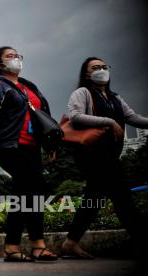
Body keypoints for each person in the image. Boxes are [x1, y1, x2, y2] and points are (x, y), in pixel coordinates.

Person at [0, 46, 58, 262]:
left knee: (36, 191)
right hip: (9, 146)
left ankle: (36, 246)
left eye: (18, 55)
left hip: (32, 146)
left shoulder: (29, 86)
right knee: (25, 190)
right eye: (10, 56)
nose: (16, 59)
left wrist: (50, 145)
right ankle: (14, 246)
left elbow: (43, 116)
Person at [61, 57, 148, 261]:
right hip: (92, 155)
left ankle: (70, 243)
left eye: (104, 66)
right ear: (86, 74)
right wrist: (109, 122)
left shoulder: (114, 98)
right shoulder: (82, 93)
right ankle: (143, 241)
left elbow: (133, 117)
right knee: (123, 198)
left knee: (94, 199)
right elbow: (75, 116)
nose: (101, 70)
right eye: (95, 67)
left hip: (110, 155)